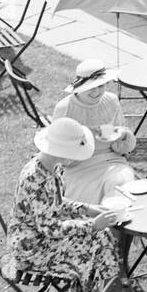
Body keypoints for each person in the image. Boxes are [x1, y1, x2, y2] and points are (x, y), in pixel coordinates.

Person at [5, 118, 124, 292]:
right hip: (32, 249)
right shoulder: (34, 178)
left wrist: (89, 209)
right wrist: (92, 225)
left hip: (43, 238)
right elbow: (50, 228)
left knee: (102, 238)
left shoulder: (50, 166)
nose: (76, 158)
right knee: (98, 239)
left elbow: (58, 202)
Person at [52, 60, 137, 205]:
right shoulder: (64, 108)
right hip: (78, 167)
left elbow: (126, 145)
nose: (97, 92)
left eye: (101, 86)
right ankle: (97, 224)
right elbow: (56, 153)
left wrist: (121, 135)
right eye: (91, 87)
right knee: (89, 192)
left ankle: (117, 223)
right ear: (79, 87)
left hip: (111, 160)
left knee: (120, 181)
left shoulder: (112, 100)